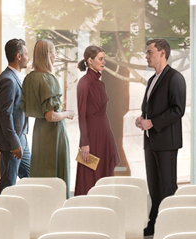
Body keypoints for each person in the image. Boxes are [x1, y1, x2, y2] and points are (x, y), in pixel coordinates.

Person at [135, 37, 186, 239]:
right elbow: (149, 107)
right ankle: (154, 225)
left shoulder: (175, 78)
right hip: (151, 141)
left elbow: (178, 110)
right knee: (155, 187)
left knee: (167, 187)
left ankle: (168, 232)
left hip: (166, 142)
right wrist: (142, 119)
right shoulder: (152, 80)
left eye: (150, 52)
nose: (146, 56)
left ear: (162, 53)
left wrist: (153, 122)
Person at [21, 39, 72, 196]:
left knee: (40, 173)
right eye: (55, 52)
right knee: (56, 176)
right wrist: (67, 114)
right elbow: (50, 116)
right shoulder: (49, 79)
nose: (55, 56)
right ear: (49, 54)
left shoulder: (29, 78)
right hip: (54, 133)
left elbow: (27, 111)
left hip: (39, 132)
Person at [73, 45, 121, 196]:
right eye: (100, 59)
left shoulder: (100, 83)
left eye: (104, 59)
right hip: (92, 136)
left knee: (104, 175)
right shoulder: (84, 83)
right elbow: (82, 115)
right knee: (90, 175)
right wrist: (84, 143)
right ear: (90, 60)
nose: (103, 62)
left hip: (104, 134)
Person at [0, 38, 29, 192]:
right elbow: (5, 115)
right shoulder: (8, 80)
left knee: (31, 177)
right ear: (18, 56)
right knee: (8, 182)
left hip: (21, 137)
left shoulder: (15, 77)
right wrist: (14, 143)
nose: (28, 58)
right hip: (12, 141)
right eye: (26, 54)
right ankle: (0, 207)